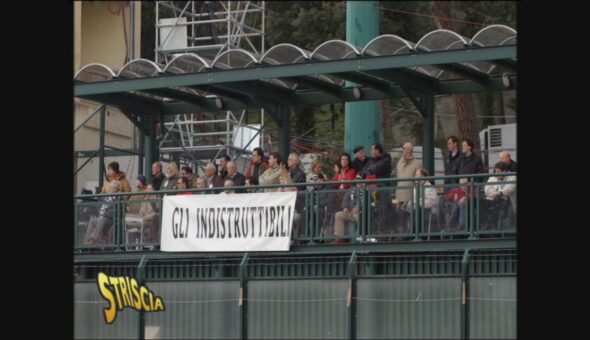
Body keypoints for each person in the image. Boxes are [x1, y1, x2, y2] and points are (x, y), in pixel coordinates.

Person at [84, 180, 121, 245]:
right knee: (92, 220)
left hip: (110, 219)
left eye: (111, 187)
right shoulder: (104, 197)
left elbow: (114, 211)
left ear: (116, 189)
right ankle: (87, 239)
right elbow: (98, 206)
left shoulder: (118, 198)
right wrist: (97, 212)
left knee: (102, 220)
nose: (109, 189)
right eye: (109, 187)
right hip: (100, 217)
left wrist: (104, 215)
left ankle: (93, 239)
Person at [332, 175, 365, 243]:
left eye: (360, 182)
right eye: (357, 182)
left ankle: (360, 235)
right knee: (338, 215)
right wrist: (345, 207)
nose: (358, 183)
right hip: (350, 213)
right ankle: (339, 238)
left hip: (361, 213)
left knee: (356, 210)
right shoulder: (351, 190)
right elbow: (345, 199)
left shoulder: (365, 190)